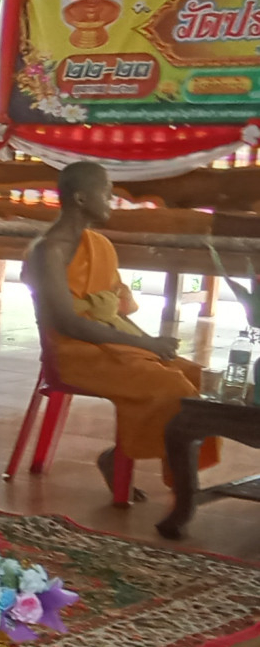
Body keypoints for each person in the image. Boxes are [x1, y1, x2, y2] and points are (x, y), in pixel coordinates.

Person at [25, 158, 218, 500]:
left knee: (194, 376)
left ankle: (121, 458)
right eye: (107, 192)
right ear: (82, 199)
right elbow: (69, 324)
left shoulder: (98, 245)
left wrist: (147, 343)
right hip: (73, 351)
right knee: (171, 385)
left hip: (106, 340)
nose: (113, 200)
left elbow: (114, 312)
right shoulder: (49, 251)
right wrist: (143, 345)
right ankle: (181, 492)